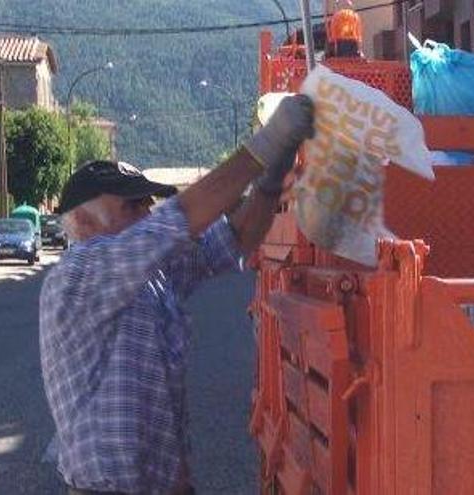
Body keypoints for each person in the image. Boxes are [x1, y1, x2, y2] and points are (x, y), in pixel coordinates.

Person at [39, 95, 315, 495]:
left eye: (148, 204)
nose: (147, 214)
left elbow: (232, 240)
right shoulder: (80, 271)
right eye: (132, 206)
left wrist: (270, 184)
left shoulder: (144, 273)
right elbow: (175, 221)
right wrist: (269, 143)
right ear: (81, 220)